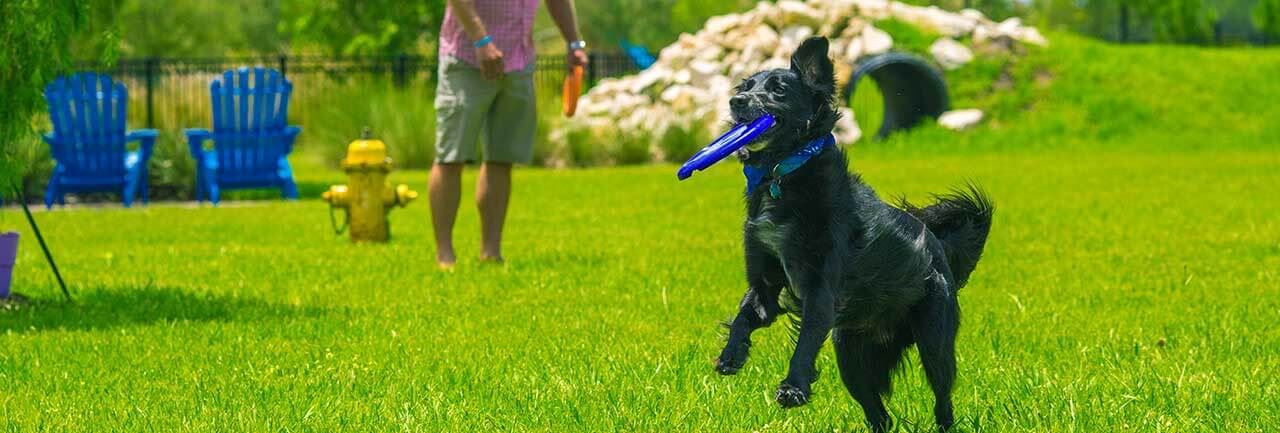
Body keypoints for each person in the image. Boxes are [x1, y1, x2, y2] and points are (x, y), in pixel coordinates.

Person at [431, 0, 588, 268]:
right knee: (451, 157)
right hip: (468, 57)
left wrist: (574, 43)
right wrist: (482, 41)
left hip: (519, 60)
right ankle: (445, 253)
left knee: (502, 158)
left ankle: (491, 252)